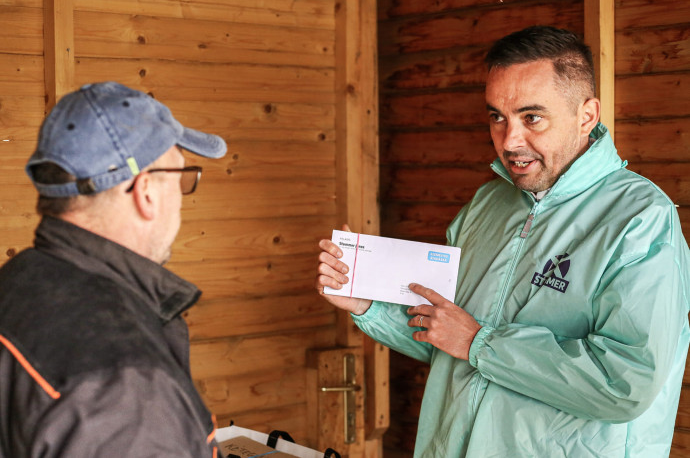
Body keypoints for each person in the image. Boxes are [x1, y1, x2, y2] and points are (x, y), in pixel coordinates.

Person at [317, 26, 690, 457]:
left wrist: (481, 344)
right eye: (497, 116)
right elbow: (447, 333)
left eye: (532, 118)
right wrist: (366, 305)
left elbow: (625, 385)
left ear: (586, 115)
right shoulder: (488, 203)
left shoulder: (640, 219)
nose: (509, 141)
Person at [0, 82, 227, 456]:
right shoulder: (128, 388)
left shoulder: (17, 281)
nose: (183, 201)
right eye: (183, 178)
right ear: (146, 192)